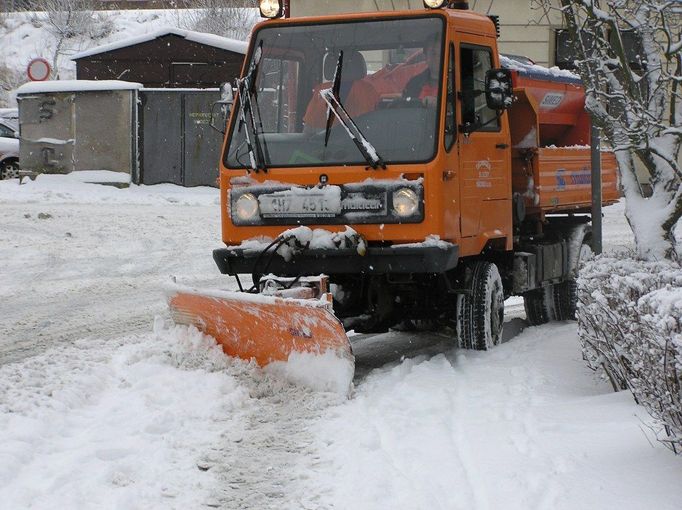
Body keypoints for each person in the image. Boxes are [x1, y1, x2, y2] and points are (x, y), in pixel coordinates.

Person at [303, 50, 379, 132]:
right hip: (357, 140)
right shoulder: (368, 90)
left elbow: (308, 129)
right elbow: (375, 121)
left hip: (322, 140)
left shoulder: (320, 90)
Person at [403, 35, 441, 107]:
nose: (437, 58)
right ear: (425, 57)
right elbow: (405, 108)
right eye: (433, 53)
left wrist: (440, 105)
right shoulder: (414, 83)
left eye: (441, 53)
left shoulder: (456, 82)